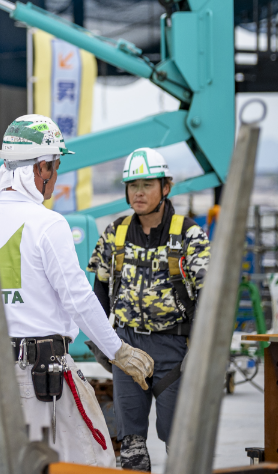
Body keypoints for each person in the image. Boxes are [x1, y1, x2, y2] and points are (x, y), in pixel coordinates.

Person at [0, 115, 154, 465]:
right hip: (42, 376)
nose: (56, 177)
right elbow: (78, 298)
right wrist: (118, 351)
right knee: (93, 462)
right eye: (57, 166)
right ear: (42, 167)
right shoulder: (48, 224)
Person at [87, 148, 210, 471]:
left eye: (147, 185)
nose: (138, 193)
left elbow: (209, 297)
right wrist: (104, 343)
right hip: (127, 348)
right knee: (131, 449)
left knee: (180, 442)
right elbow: (98, 291)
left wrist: (201, 352)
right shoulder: (115, 233)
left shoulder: (189, 235)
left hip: (175, 352)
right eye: (132, 186)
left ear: (166, 187)